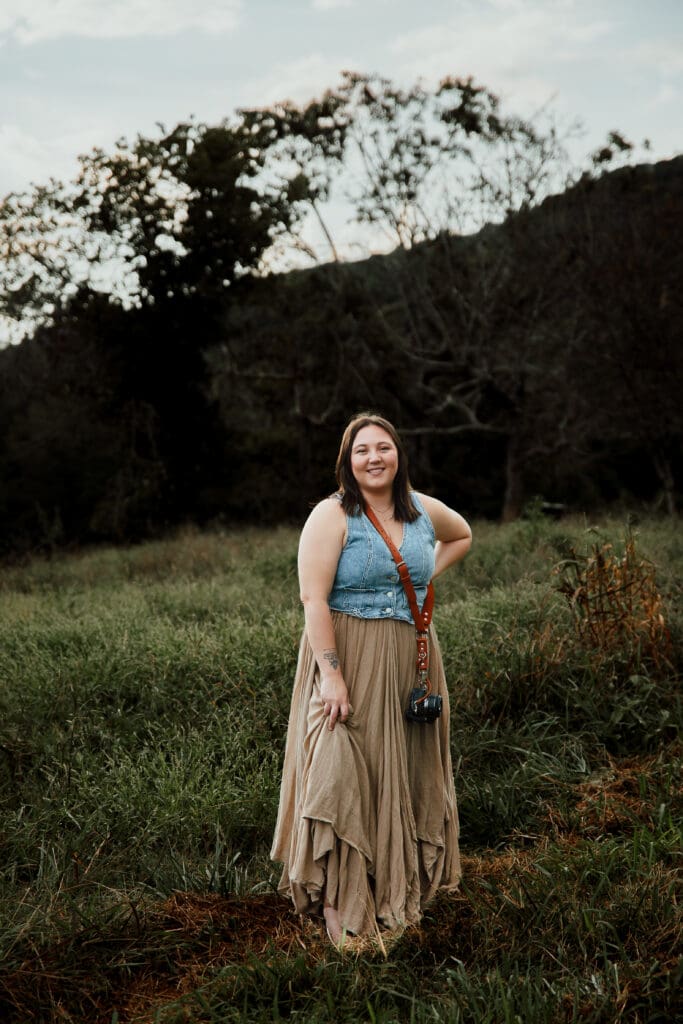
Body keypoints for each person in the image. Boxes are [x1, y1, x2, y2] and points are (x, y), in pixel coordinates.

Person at [270, 413, 472, 944]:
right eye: (363, 450)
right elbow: (313, 599)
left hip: (412, 655)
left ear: (398, 454)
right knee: (340, 769)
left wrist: (422, 584)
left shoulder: (422, 510)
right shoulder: (331, 514)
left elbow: (464, 535)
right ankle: (340, 905)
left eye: (384, 447)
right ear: (348, 460)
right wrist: (330, 676)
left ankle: (394, 893)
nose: (374, 457)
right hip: (349, 655)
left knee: (401, 770)